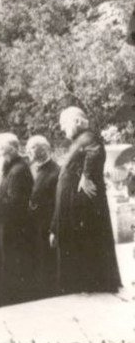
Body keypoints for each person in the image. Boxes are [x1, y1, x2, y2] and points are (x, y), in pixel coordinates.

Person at [49, 107, 122, 295]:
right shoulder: (80, 139)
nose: (62, 128)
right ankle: (83, 284)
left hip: (83, 205)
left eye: (64, 124)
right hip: (77, 205)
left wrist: (86, 175)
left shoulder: (89, 137)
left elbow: (95, 152)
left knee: (86, 242)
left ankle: (88, 284)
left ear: (77, 121)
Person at [0, 133, 35, 310]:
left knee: (9, 271)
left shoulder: (19, 170)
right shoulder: (12, 168)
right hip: (5, 231)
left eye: (0, 150)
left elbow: (14, 205)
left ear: (12, 150)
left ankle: (8, 306)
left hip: (11, 233)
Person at [25, 135, 60, 299]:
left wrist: (54, 230)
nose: (27, 151)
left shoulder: (57, 172)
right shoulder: (32, 169)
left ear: (45, 149)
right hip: (32, 226)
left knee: (48, 265)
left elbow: (59, 205)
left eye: (32, 147)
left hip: (46, 226)